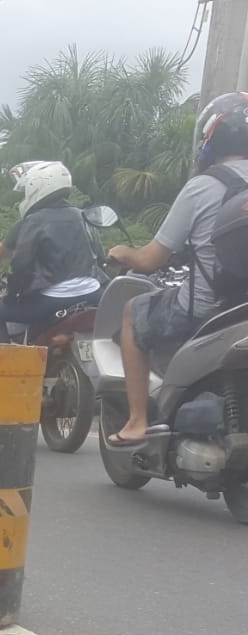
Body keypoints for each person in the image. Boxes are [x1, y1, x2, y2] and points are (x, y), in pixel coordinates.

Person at [104, 91, 248, 445]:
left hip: (210, 307)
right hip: (241, 307)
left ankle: (137, 420)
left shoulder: (203, 186)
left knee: (132, 311)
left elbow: (150, 260)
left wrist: (124, 252)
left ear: (211, 137)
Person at [0, 162, 101, 345]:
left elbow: (21, 265)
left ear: (36, 187)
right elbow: (99, 256)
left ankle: (4, 363)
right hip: (93, 292)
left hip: (54, 299)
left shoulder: (34, 221)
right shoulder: (83, 215)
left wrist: (11, 293)